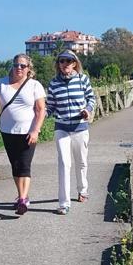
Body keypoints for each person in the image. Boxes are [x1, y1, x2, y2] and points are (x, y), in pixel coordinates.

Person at [0, 54, 46, 215]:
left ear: (28, 69)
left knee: (24, 165)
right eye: (16, 65)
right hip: (8, 131)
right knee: (16, 166)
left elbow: (40, 110)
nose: (19, 68)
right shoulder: (2, 83)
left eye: (23, 66)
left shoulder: (34, 85)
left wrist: (36, 130)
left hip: (28, 132)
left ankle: (23, 200)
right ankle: (21, 196)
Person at [46, 49, 96, 215]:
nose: (64, 64)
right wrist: (39, 115)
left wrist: (87, 110)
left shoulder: (82, 80)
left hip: (80, 127)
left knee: (81, 161)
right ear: (58, 64)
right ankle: (64, 203)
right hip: (62, 128)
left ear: (74, 63)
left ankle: (82, 190)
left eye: (68, 61)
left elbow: (91, 98)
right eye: (61, 61)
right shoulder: (54, 83)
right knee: (64, 164)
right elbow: (50, 106)